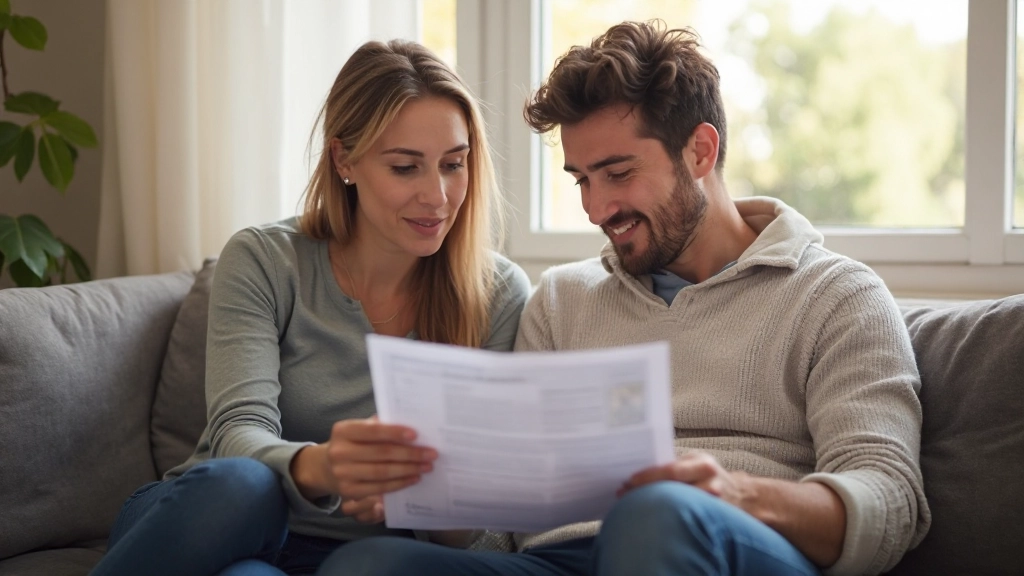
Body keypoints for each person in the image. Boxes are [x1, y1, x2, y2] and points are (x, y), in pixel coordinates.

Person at [322, 21, 931, 576]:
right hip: (562, 560)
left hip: (724, 543)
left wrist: (738, 495)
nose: (596, 209)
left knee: (658, 516)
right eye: (582, 180)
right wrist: (433, 494)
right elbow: (502, 537)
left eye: (617, 173)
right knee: (365, 565)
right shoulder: (562, 299)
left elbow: (891, 501)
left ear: (700, 151)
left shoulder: (835, 295)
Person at [89, 39, 531, 576]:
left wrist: (426, 493)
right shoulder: (264, 260)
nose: (437, 196)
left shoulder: (500, 293)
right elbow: (236, 434)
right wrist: (322, 466)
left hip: (355, 557)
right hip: (215, 520)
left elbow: (477, 531)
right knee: (243, 486)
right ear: (345, 159)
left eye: (453, 164)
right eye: (404, 168)